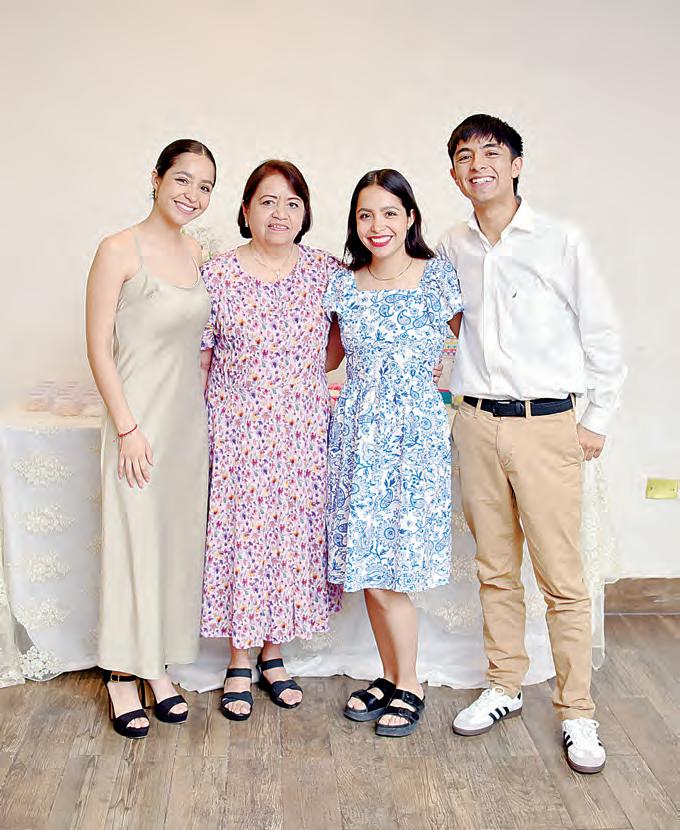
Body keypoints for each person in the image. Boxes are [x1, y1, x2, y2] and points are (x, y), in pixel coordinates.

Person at [438, 114, 626, 773]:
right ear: (454, 173)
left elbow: (603, 333)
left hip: (547, 425)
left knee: (562, 580)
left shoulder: (559, 239)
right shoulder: (452, 245)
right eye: (465, 156)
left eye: (491, 153)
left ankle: (577, 712)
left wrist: (596, 419)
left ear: (516, 165)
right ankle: (504, 684)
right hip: (476, 423)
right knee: (494, 568)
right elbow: (446, 324)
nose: (478, 165)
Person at [199, 160, 344, 721]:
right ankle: (239, 659)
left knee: (290, 538)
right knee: (242, 538)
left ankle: (273, 653)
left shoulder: (325, 272)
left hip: (302, 431)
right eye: (267, 201)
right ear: (245, 209)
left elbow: (335, 348)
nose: (279, 213)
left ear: (305, 213)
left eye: (291, 202)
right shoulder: (217, 275)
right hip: (236, 430)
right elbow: (202, 358)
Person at [324, 169, 463, 737]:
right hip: (357, 437)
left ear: (410, 217)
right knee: (368, 568)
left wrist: (453, 390)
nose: (376, 225)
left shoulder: (438, 278)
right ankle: (390, 675)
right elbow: (325, 359)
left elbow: (479, 346)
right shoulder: (344, 285)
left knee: (392, 573)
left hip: (413, 440)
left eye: (388, 212)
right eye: (365, 215)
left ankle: (411, 684)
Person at [86, 139, 216, 738]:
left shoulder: (197, 252)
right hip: (136, 421)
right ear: (157, 178)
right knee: (131, 541)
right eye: (183, 179)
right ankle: (120, 673)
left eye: (205, 187)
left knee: (171, 544)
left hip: (187, 423)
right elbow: (98, 348)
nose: (193, 194)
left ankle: (155, 665)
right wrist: (127, 427)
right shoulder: (118, 249)